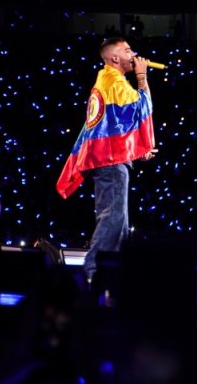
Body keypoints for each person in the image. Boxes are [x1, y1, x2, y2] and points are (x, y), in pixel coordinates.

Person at [56, 37, 157, 282]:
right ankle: (92, 272)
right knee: (112, 218)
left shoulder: (107, 81)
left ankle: (109, 275)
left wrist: (136, 150)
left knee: (119, 223)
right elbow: (141, 108)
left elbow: (116, 124)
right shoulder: (113, 80)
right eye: (127, 50)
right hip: (110, 163)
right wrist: (142, 76)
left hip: (109, 160)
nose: (133, 54)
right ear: (114, 58)